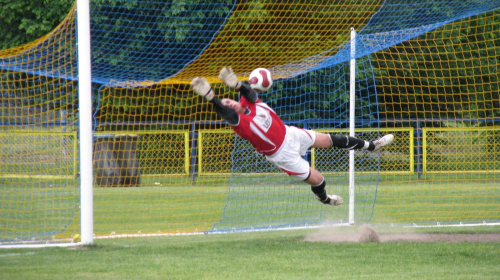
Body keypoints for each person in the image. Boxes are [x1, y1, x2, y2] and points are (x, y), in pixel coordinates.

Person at [191, 67, 394, 206]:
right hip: (282, 155)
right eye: (226, 106)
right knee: (318, 179)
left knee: (329, 139)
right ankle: (325, 200)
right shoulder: (240, 124)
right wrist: (212, 97)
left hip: (290, 134)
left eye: (228, 101)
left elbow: (249, 93)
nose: (229, 105)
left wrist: (236, 84)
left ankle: (371, 145)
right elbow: (227, 114)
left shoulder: (249, 102)